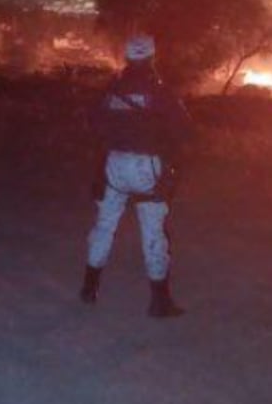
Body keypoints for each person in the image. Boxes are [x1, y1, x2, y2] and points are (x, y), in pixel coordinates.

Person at [81, 34, 193, 317]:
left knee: (104, 225)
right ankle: (159, 301)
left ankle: (89, 287)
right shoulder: (161, 91)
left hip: (114, 164)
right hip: (147, 167)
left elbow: (94, 122)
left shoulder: (113, 90)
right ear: (152, 57)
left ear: (128, 58)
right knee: (153, 231)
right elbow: (183, 130)